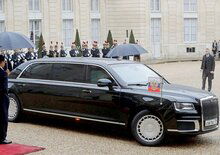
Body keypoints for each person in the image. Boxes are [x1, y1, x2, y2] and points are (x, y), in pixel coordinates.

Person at [0, 55, 12, 144]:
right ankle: (2, 138)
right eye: (4, 61)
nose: (5, 63)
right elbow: (4, 88)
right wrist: (6, 75)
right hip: (2, 98)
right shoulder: (3, 73)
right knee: (3, 118)